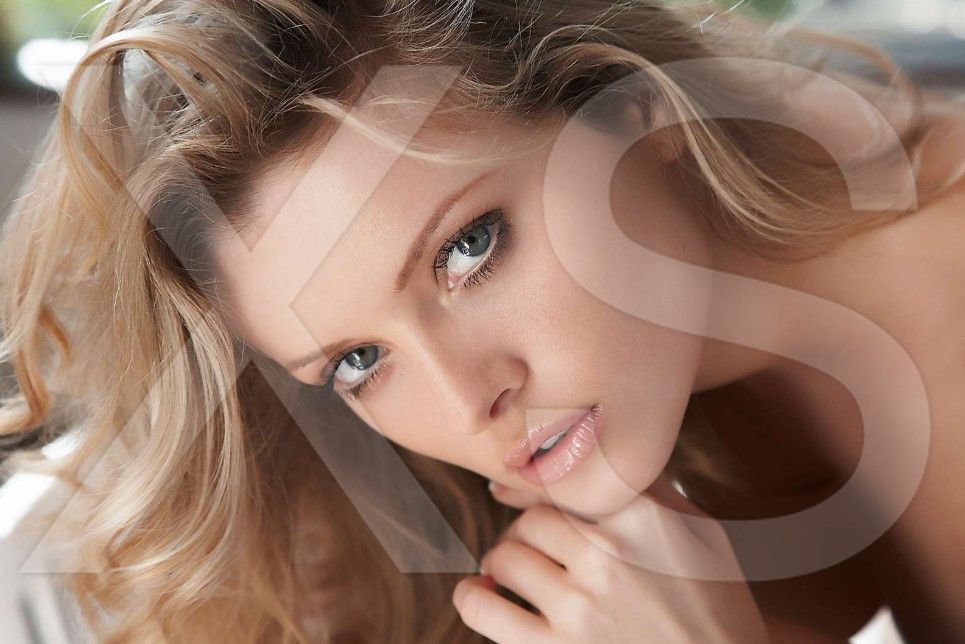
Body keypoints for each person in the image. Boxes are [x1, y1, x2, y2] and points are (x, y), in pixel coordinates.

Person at [1, 0, 963, 641]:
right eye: (358, 361)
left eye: (468, 249)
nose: (468, 402)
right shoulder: (653, 439)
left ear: (628, 110)